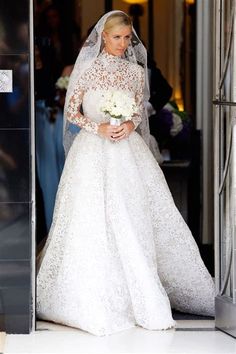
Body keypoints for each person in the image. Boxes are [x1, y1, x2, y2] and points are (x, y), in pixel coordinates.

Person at [37, 10, 215, 336]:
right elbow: (72, 112)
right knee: (92, 219)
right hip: (92, 151)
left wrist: (130, 124)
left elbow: (137, 110)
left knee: (132, 216)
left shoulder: (135, 73)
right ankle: (94, 294)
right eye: (116, 37)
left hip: (128, 152)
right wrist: (99, 127)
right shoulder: (87, 69)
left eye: (126, 38)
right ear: (103, 37)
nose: (122, 44)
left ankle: (142, 292)